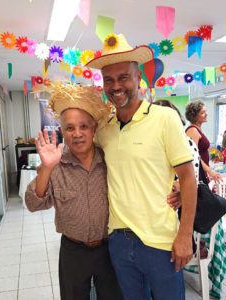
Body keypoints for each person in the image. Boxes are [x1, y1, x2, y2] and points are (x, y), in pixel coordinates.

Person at [86, 33, 197, 300]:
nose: (116, 86)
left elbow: (188, 177)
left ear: (138, 78)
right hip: (119, 241)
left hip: (162, 241)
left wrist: (185, 236)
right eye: (109, 80)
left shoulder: (165, 118)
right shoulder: (103, 128)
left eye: (123, 77)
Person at [25, 84, 123, 300]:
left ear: (94, 128)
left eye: (83, 127)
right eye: (70, 128)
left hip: (109, 248)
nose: (77, 134)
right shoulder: (56, 165)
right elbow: (33, 204)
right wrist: (47, 168)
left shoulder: (110, 161)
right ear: (62, 132)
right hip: (73, 250)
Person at [154, 99, 226, 299]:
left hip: (179, 218)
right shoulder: (185, 136)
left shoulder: (182, 141)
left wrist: (180, 188)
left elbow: (188, 174)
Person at [185, 100, 222, 183]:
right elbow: (195, 156)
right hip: (198, 172)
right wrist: (210, 171)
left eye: (206, 111)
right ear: (194, 116)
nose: (206, 114)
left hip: (202, 171)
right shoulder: (193, 131)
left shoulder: (198, 129)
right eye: (202, 112)